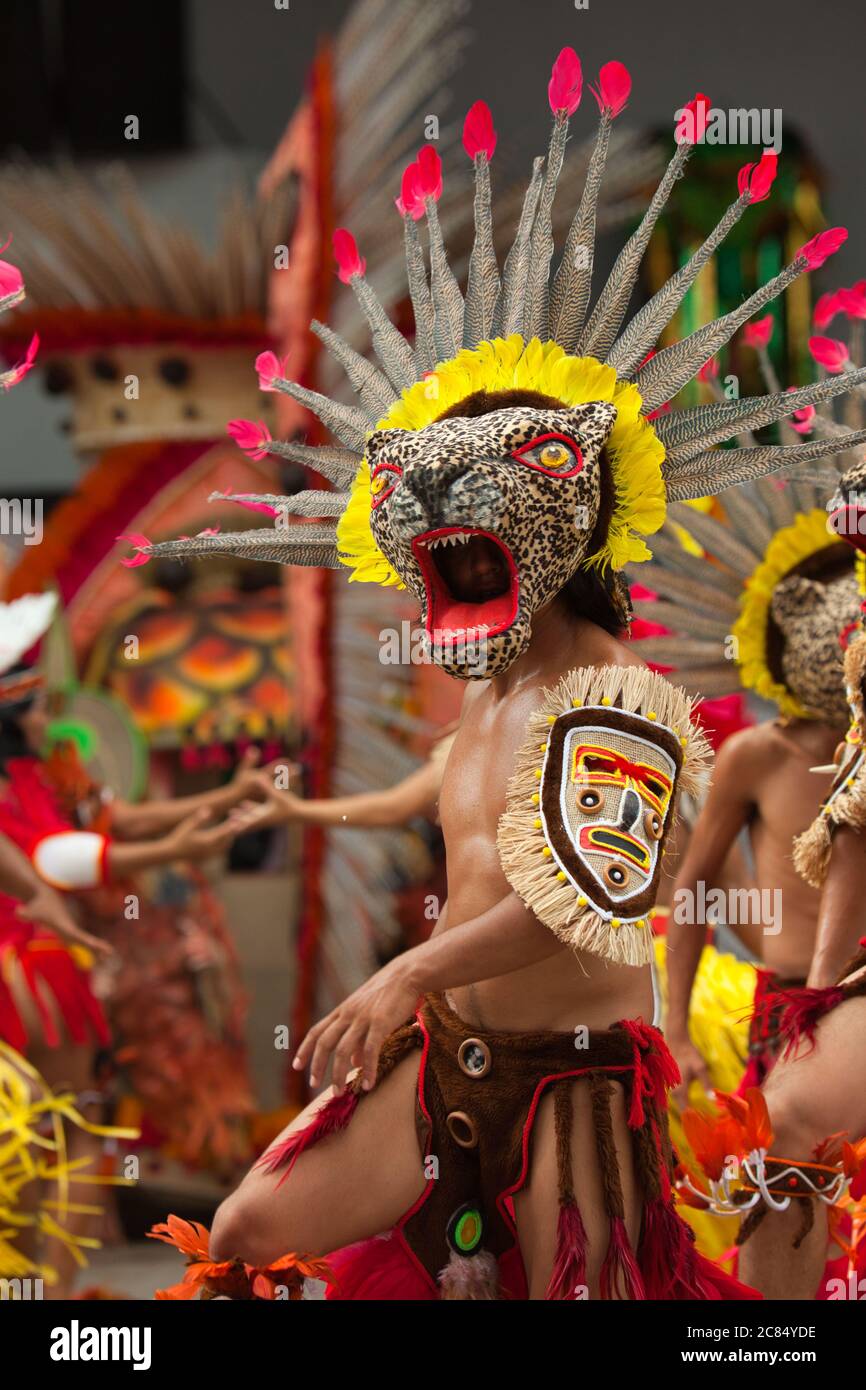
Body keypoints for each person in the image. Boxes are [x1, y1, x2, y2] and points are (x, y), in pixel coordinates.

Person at [144, 52, 866, 1300]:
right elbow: (432, 802)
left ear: (578, 512)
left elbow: (583, 896)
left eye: (505, 473)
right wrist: (301, 811)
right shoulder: (482, 694)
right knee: (251, 1229)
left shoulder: (612, 699)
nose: (430, 493)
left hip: (569, 1078)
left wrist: (403, 968)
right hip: (443, 1058)